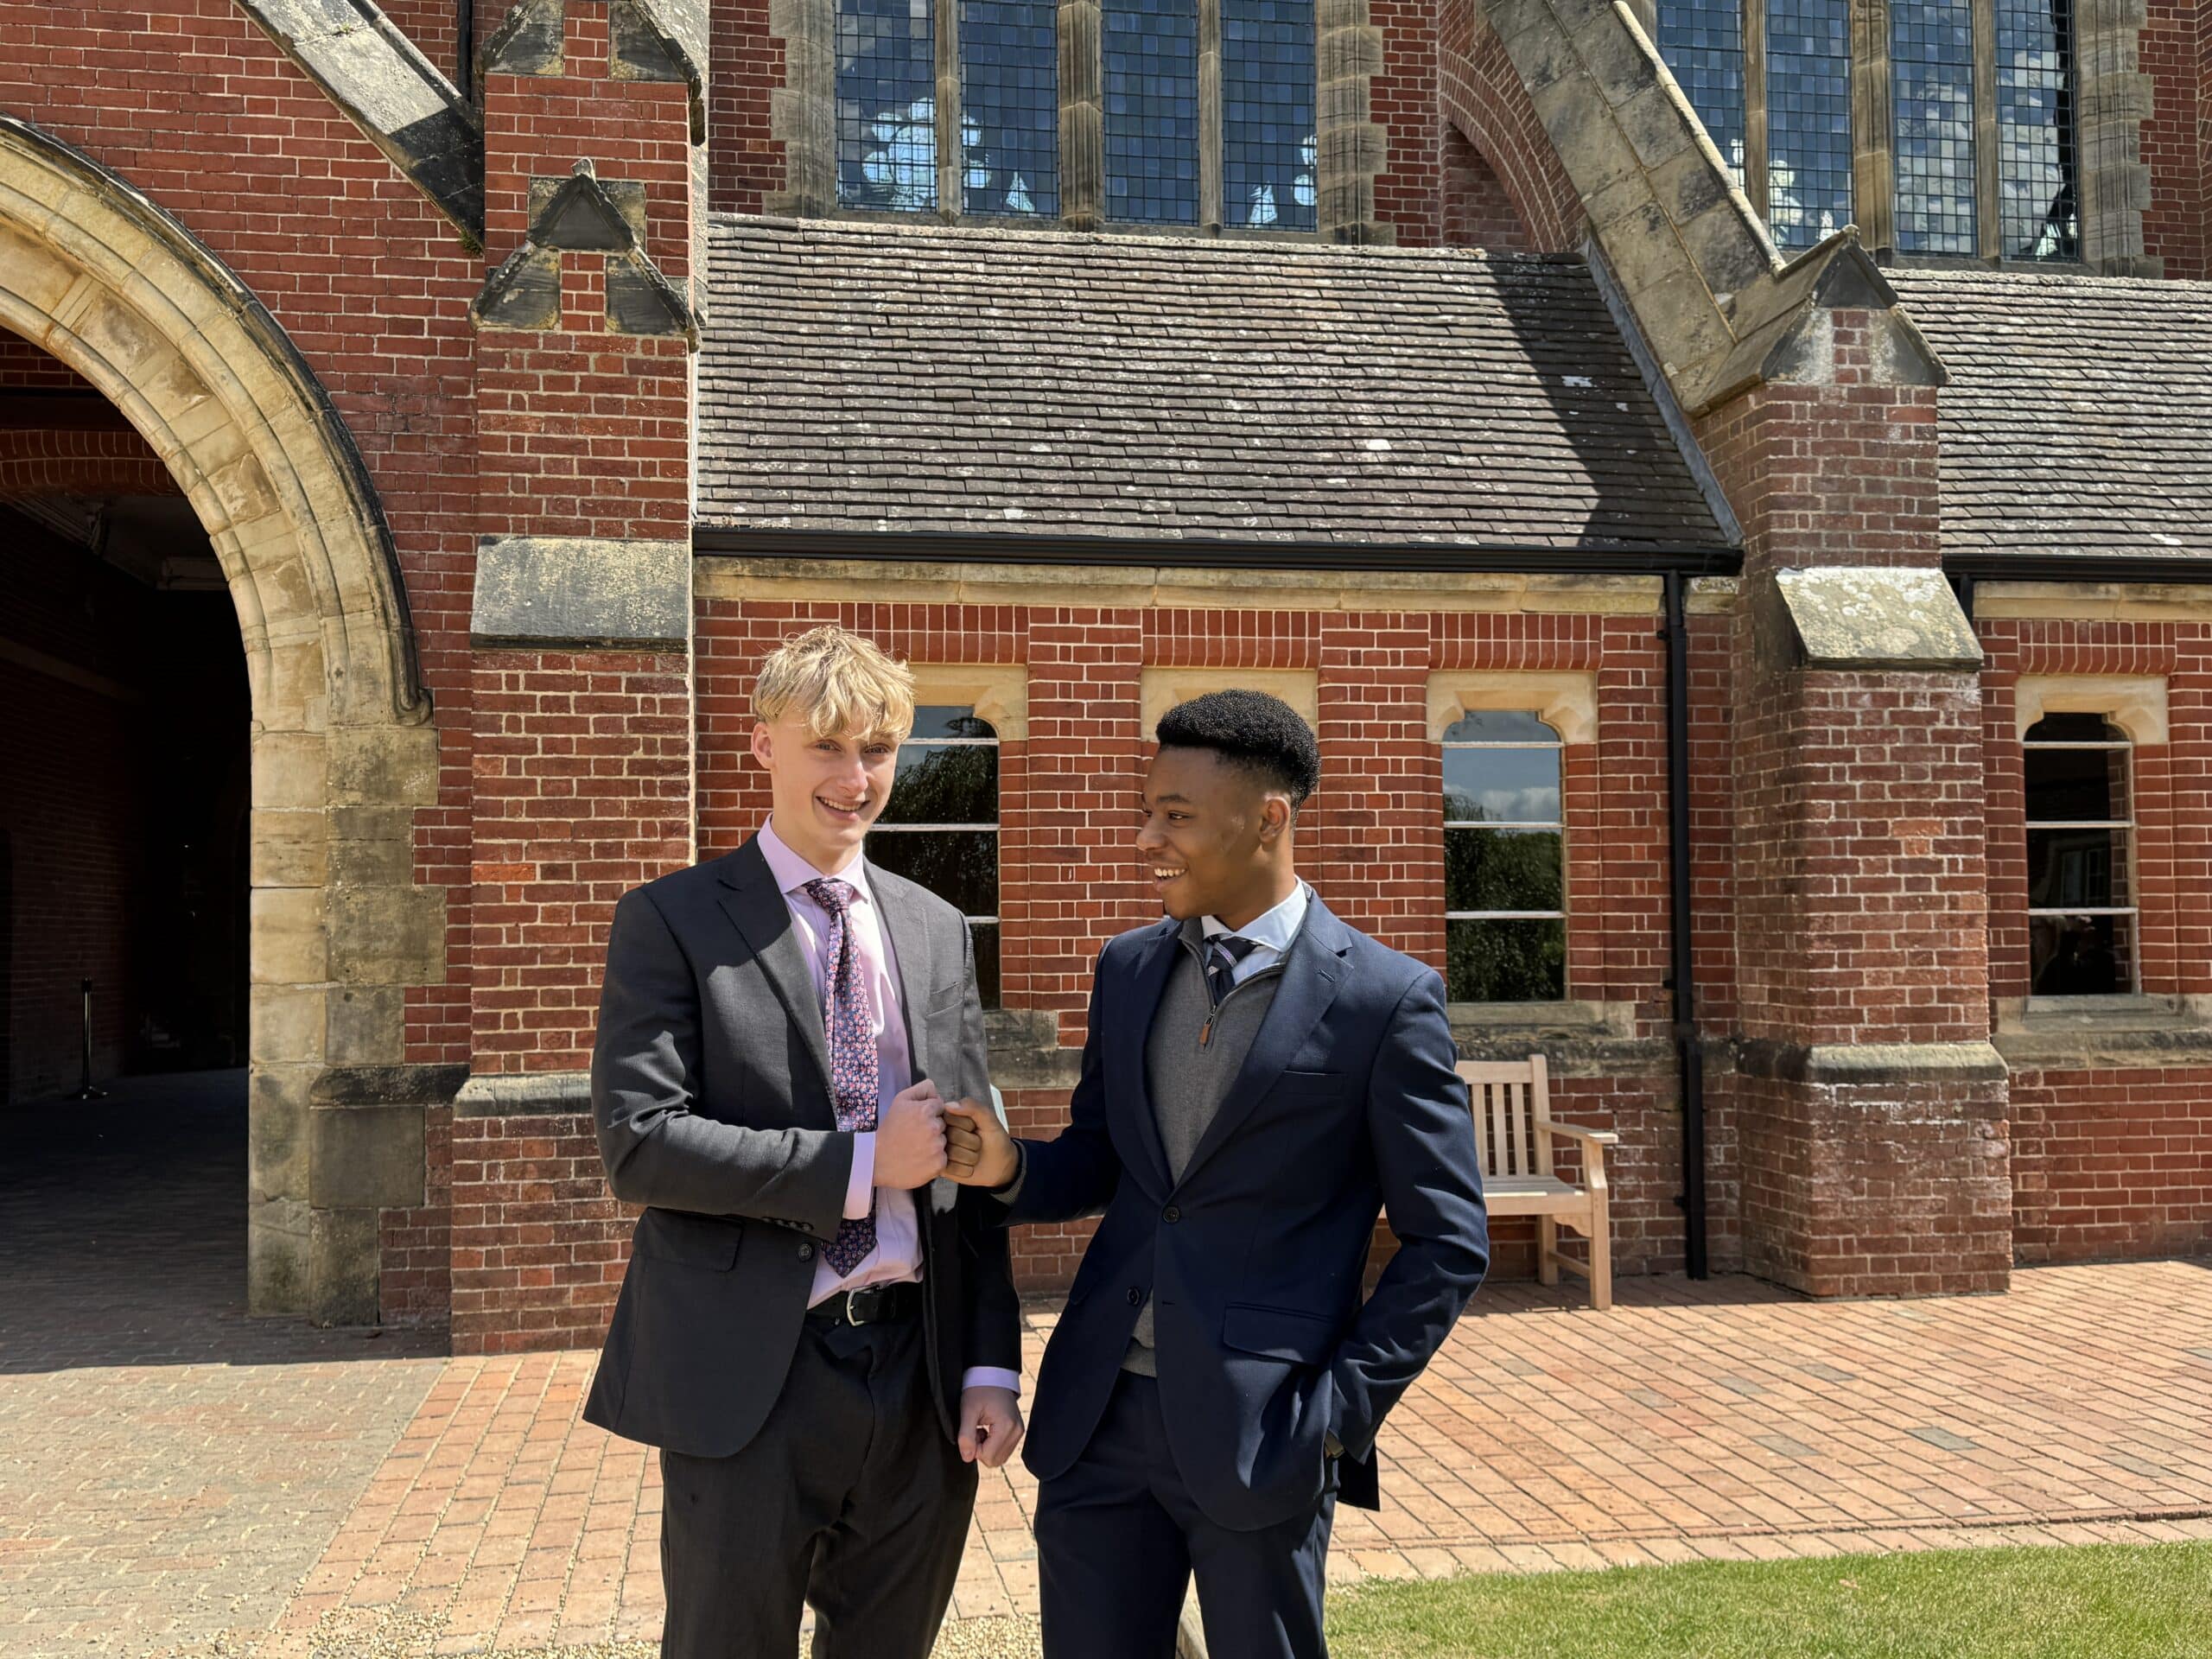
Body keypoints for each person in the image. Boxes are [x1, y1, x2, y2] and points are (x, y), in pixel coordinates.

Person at [944, 689, 1490, 1659]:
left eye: (1176, 815)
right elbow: (1107, 1158)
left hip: (1263, 1434)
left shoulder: (1384, 1001)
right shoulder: (1127, 967)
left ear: (1268, 817)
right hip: (1096, 1420)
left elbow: (1446, 1245)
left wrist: (1334, 1417)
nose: (1148, 836)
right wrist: (1012, 1166)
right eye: (1149, 810)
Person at [582, 625, 1023, 1659]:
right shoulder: (672, 919)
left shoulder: (933, 927)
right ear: (760, 744)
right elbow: (640, 1145)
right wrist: (864, 1167)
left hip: (918, 1370)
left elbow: (962, 1158)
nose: (854, 775)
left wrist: (990, 1367)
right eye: (824, 745)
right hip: (749, 1373)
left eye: (876, 747)